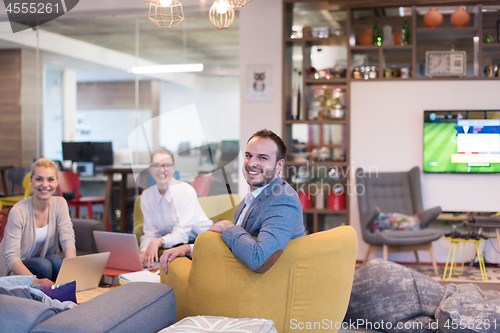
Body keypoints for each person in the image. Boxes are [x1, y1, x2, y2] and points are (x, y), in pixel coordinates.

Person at [160, 129, 305, 274]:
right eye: (248, 155)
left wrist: (228, 226)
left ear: (279, 165)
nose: (252, 163)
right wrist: (190, 249)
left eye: (262, 158)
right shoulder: (252, 198)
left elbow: (259, 259)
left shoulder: (283, 201)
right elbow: (238, 246)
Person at [0, 158, 76, 286]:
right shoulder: (19, 211)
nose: (45, 184)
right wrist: (35, 282)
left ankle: (61, 297)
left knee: (58, 261)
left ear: (57, 181)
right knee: (43, 265)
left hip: (39, 261)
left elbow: (67, 237)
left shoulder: (60, 203)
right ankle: (42, 301)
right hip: (12, 270)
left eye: (50, 179)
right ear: (31, 181)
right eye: (39, 179)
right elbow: (11, 258)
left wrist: (73, 270)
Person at [140, 148, 213, 268]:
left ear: (173, 168)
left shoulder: (185, 191)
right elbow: (150, 232)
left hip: (201, 240)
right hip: (174, 242)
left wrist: (158, 242)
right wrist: (144, 251)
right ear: (150, 169)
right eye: (156, 165)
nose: (162, 170)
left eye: (167, 165)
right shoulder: (147, 195)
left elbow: (182, 234)